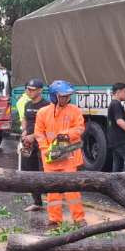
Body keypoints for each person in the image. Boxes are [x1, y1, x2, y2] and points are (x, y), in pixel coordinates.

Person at [34, 80, 85, 226]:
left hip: (69, 156)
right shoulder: (43, 113)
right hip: (50, 157)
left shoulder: (75, 111)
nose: (65, 99)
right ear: (54, 96)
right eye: (62, 96)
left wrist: (67, 134)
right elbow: (39, 133)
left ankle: (79, 219)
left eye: (67, 96)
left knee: (72, 190)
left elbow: (80, 129)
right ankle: (55, 219)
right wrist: (45, 149)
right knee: (52, 191)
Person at [16, 79, 50, 211]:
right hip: (28, 142)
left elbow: (47, 126)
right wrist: (24, 131)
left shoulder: (46, 106)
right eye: (28, 89)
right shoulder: (27, 104)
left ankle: (53, 200)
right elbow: (25, 118)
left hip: (42, 142)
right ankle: (37, 202)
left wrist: (33, 136)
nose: (29, 91)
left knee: (45, 171)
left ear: (40, 90)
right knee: (28, 170)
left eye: (32, 89)